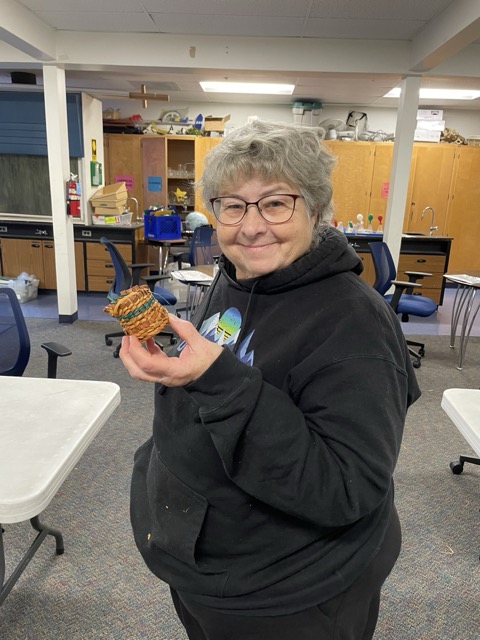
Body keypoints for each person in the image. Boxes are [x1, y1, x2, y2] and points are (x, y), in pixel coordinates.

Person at [120, 120, 421, 640]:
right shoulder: (239, 275)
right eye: (233, 205)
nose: (251, 227)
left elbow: (343, 488)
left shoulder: (356, 326)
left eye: (276, 203)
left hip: (286, 593)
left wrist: (216, 378)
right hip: (203, 560)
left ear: (315, 210)